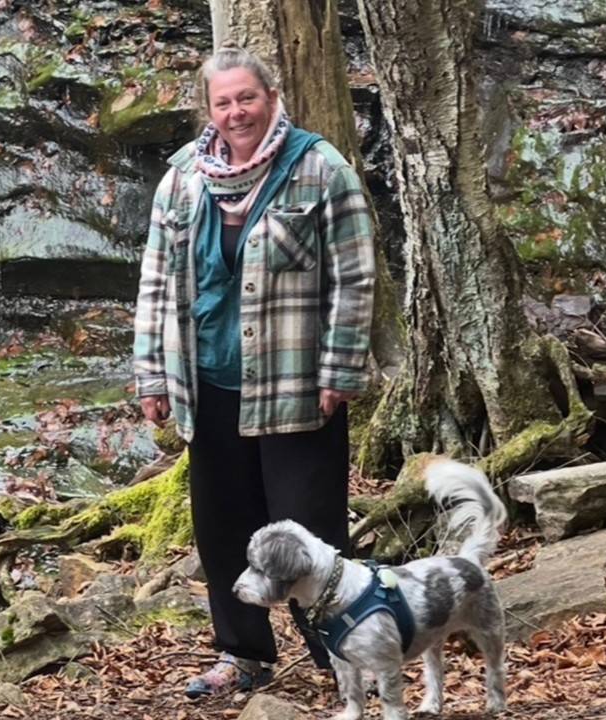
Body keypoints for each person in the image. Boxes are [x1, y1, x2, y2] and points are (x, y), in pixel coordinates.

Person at [131, 46, 375, 698]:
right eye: (223, 101)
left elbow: (355, 280)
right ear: (208, 110)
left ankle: (344, 655)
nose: (236, 112)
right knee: (223, 528)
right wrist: (151, 376)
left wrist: (341, 369)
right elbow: (156, 284)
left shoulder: (322, 171)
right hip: (208, 384)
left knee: (310, 529)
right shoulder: (182, 178)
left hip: (296, 384)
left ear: (271, 96)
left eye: (247, 97)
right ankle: (242, 655)